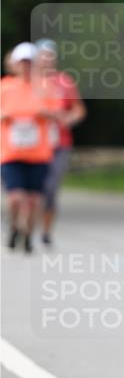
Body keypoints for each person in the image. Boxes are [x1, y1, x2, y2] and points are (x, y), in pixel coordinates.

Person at [0, 43, 60, 253]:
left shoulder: (45, 87)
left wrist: (45, 113)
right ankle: (14, 226)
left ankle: (27, 235)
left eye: (29, 63)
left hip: (38, 153)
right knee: (15, 197)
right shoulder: (4, 87)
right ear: (14, 65)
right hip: (11, 153)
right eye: (22, 63)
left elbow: (59, 114)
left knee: (34, 200)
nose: (25, 67)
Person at [34, 39, 86, 245]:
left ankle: (46, 231)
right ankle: (27, 225)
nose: (47, 60)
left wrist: (68, 118)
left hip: (59, 143)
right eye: (43, 55)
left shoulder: (65, 82)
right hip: (33, 144)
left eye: (51, 56)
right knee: (32, 188)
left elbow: (78, 109)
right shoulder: (29, 82)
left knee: (51, 187)